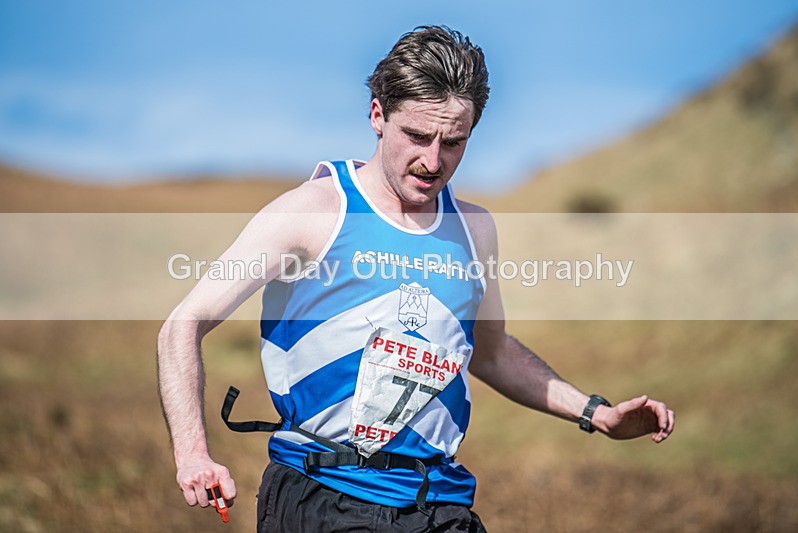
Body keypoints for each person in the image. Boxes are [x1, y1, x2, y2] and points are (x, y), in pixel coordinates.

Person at [157, 25, 675, 532]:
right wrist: (193, 454)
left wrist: (597, 414)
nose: (432, 161)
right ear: (378, 115)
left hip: (440, 502)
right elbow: (184, 324)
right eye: (417, 136)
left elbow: (490, 352)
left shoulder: (474, 229)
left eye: (453, 142)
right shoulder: (313, 211)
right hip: (325, 497)